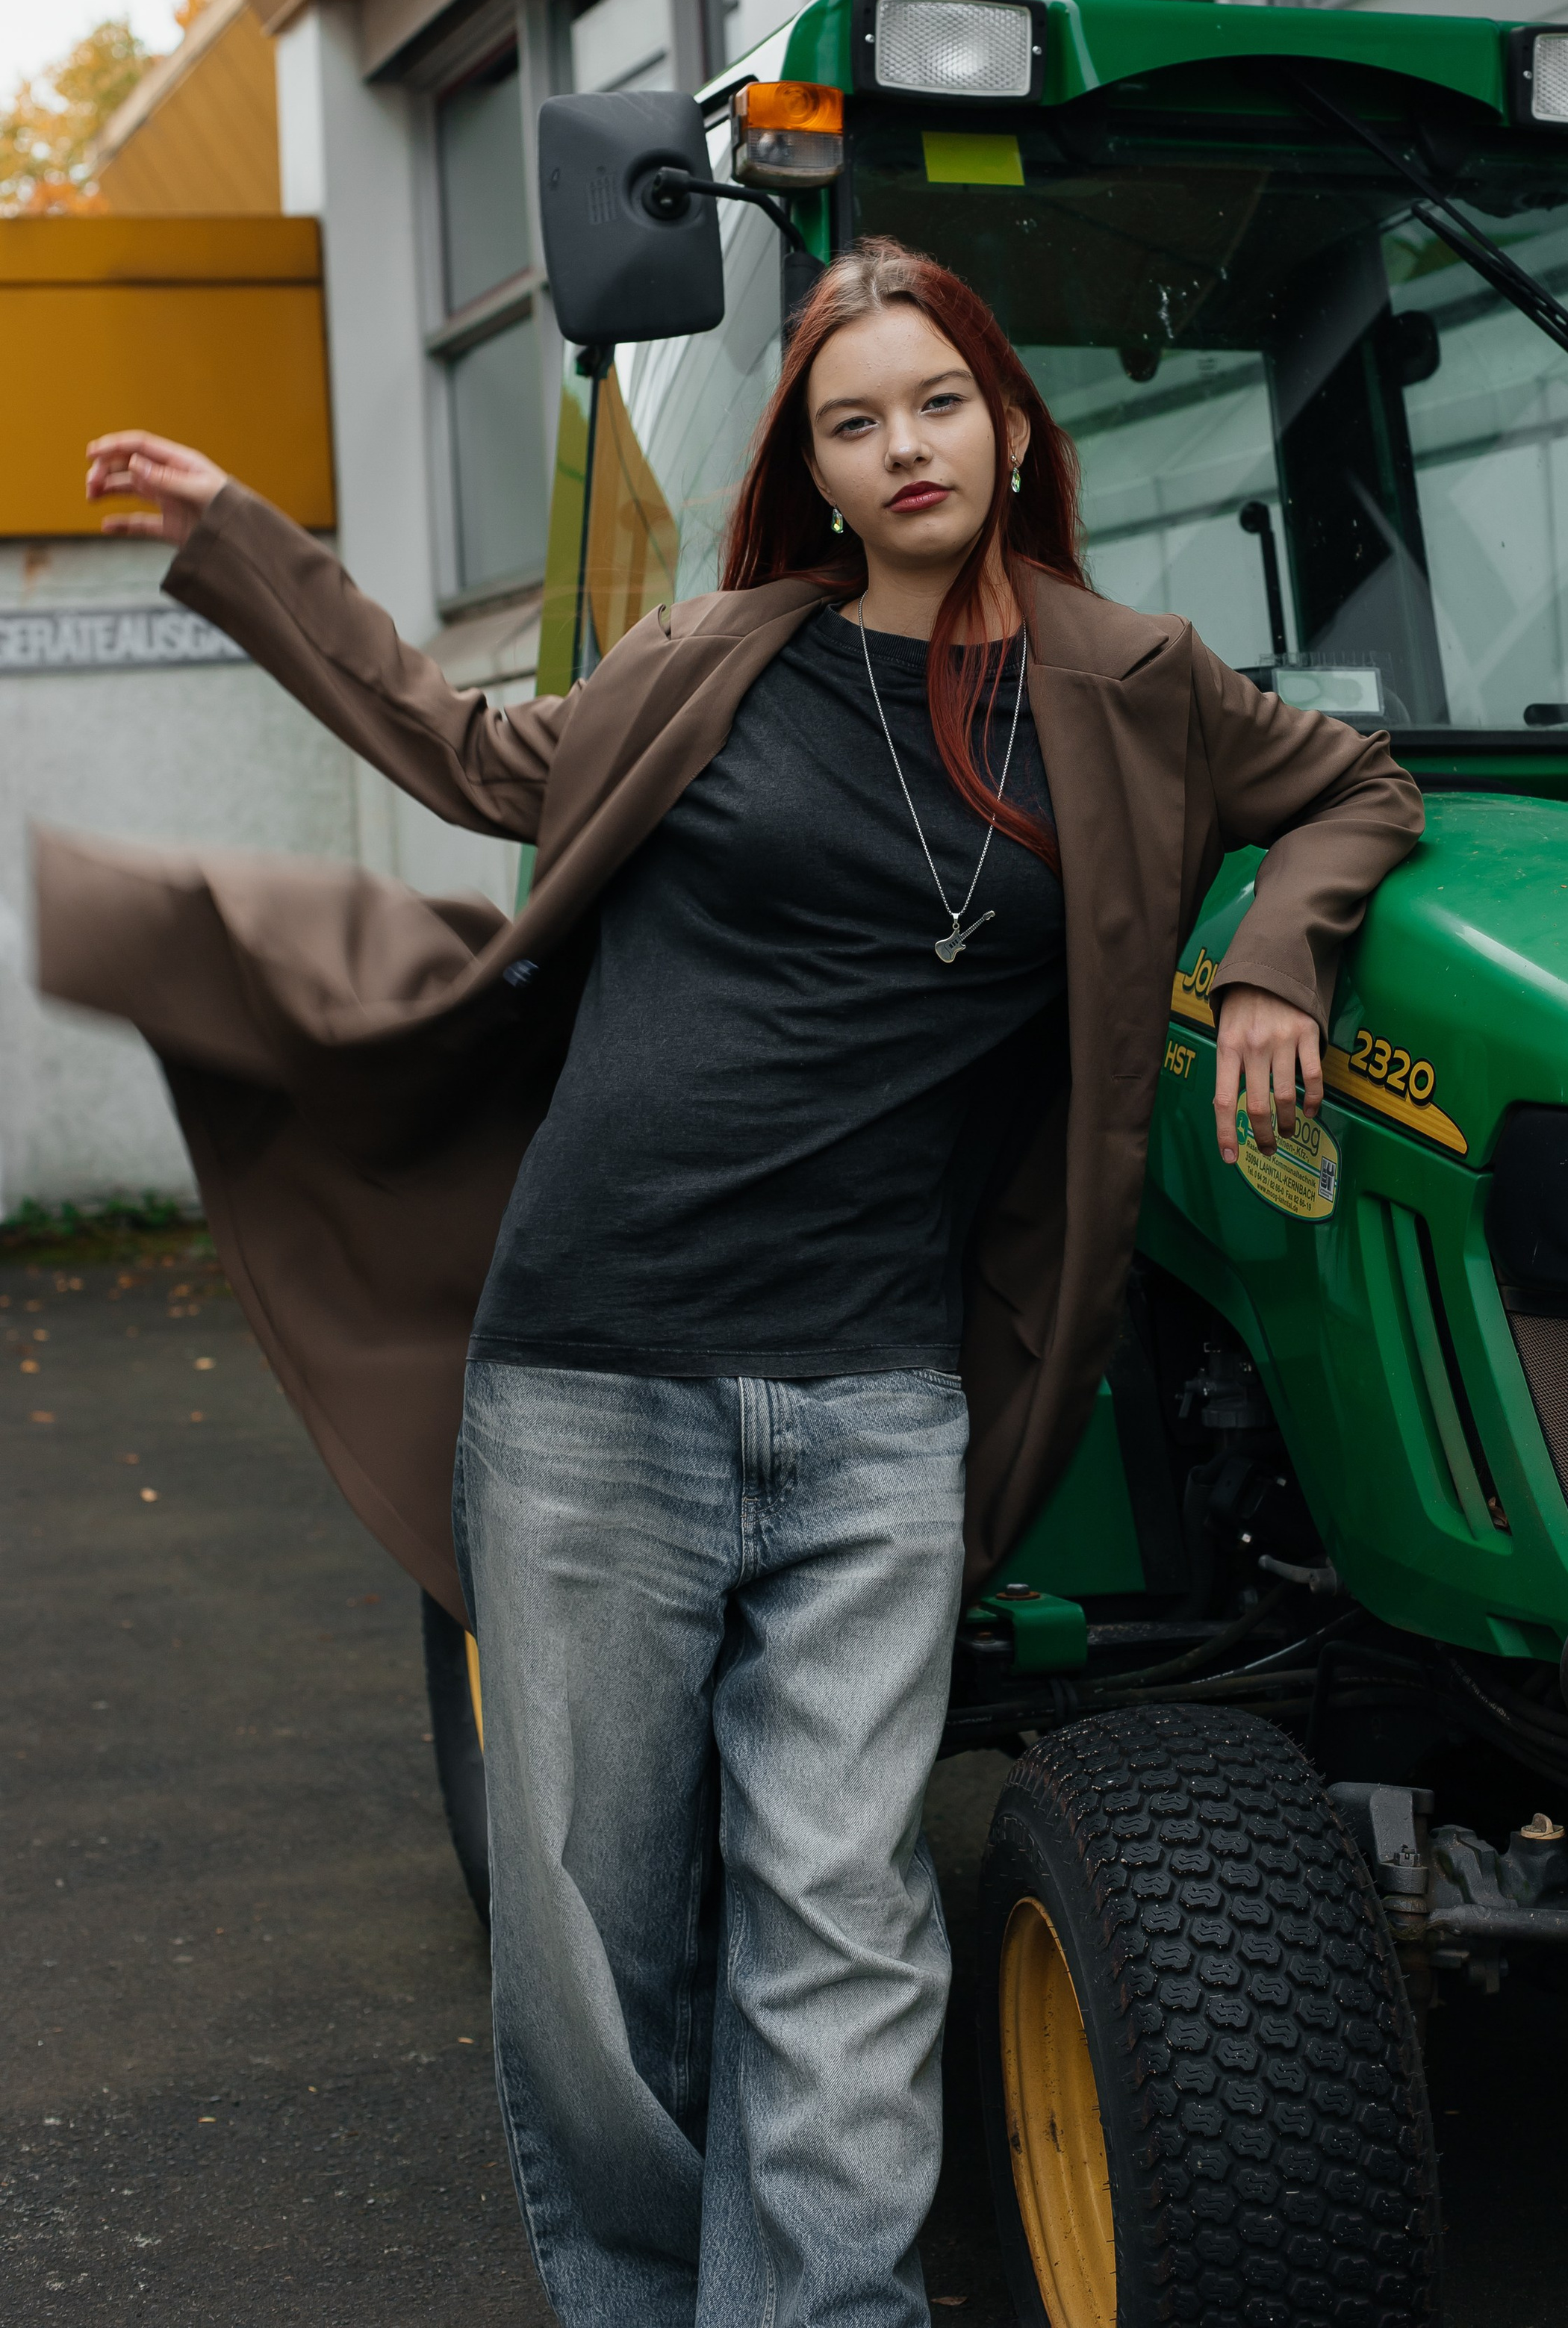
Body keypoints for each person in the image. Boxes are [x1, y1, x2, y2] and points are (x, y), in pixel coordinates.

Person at [55, 240, 1422, 2328]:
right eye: (853, 421)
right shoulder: (721, 655)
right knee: (598, 1953)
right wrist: (248, 542)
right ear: (816, 463)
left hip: (877, 1407)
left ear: (1014, 420)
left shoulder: (1130, 685)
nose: (905, 449)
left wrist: (1270, 968)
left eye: (937, 403)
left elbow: (1353, 787)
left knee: (847, 1924)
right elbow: (473, 760)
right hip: (596, 1379)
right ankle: (635, 2299)